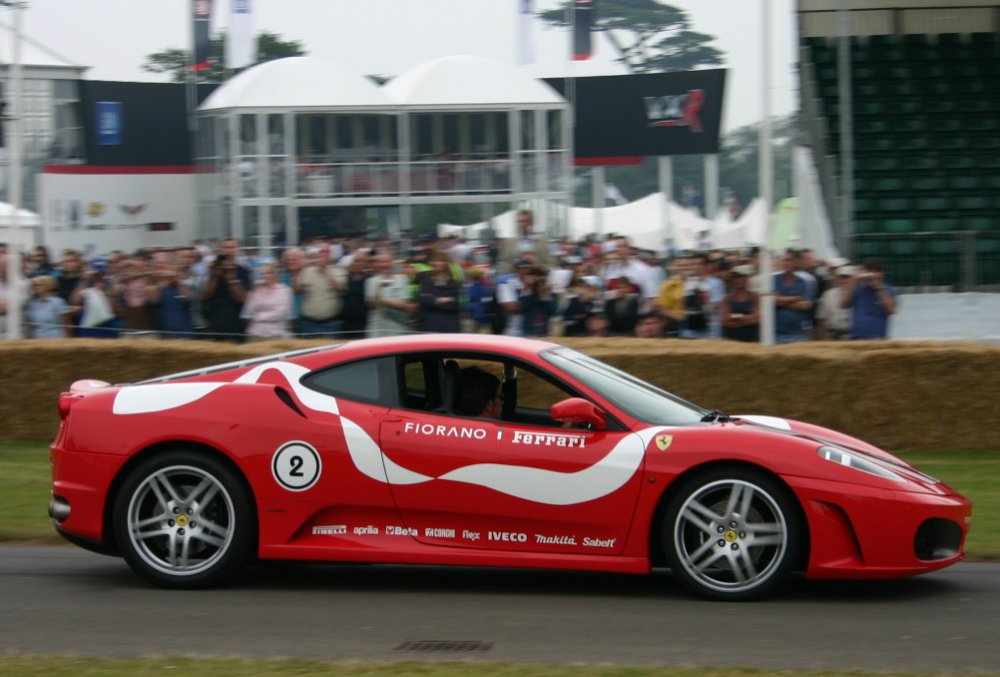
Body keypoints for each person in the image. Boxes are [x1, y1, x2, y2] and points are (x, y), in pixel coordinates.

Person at [841, 257, 899, 340]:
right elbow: (843, 304)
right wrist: (853, 281)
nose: (872, 275)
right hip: (857, 338)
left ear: (882, 273)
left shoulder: (889, 289)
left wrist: (878, 288)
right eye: (869, 271)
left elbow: (891, 310)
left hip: (878, 338)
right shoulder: (858, 288)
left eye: (876, 271)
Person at [365, 253, 413, 338]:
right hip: (377, 329)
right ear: (376, 264)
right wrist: (378, 288)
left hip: (398, 327)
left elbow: (405, 305)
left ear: (392, 263)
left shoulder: (402, 279)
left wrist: (384, 301)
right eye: (381, 262)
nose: (384, 265)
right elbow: (373, 305)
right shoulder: (370, 281)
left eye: (387, 261)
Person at [243, 261, 294, 340]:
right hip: (255, 333)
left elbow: (279, 314)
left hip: (274, 334)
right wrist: (267, 313)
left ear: (276, 274)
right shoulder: (257, 290)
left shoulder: (284, 290)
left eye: (269, 273)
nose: (265, 276)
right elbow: (250, 310)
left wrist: (259, 316)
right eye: (263, 273)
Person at [773, 250, 814, 344]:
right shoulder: (774, 280)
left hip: (798, 334)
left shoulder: (803, 281)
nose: (786, 263)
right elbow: (774, 301)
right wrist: (796, 298)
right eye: (784, 260)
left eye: (789, 260)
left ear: (796, 262)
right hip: (777, 335)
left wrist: (781, 301)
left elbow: (806, 305)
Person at [417, 249, 462, 333]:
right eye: (436, 261)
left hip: (450, 324)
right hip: (430, 324)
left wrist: (434, 300)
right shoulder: (425, 277)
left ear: (446, 263)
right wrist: (441, 300)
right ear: (432, 262)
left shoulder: (453, 280)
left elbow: (455, 302)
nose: (439, 264)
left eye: (442, 261)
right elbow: (425, 299)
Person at [497, 209, 550, 274]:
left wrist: (536, 264)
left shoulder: (542, 241)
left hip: (536, 278)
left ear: (531, 222)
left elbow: (550, 263)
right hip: (515, 280)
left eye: (525, 221)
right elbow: (502, 263)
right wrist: (516, 266)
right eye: (519, 222)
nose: (522, 224)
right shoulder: (508, 242)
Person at [720, 265, 760, 342]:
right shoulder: (727, 298)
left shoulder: (755, 297)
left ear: (747, 279)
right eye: (736, 277)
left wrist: (734, 317)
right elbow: (725, 321)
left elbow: (757, 319)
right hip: (730, 341)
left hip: (751, 341)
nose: (739, 280)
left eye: (742, 277)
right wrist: (747, 317)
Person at [815, 264, 854, 340]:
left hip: (852, 335)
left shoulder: (859, 295)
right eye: (842, 277)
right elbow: (822, 320)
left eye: (847, 277)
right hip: (833, 335)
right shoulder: (828, 295)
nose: (844, 280)